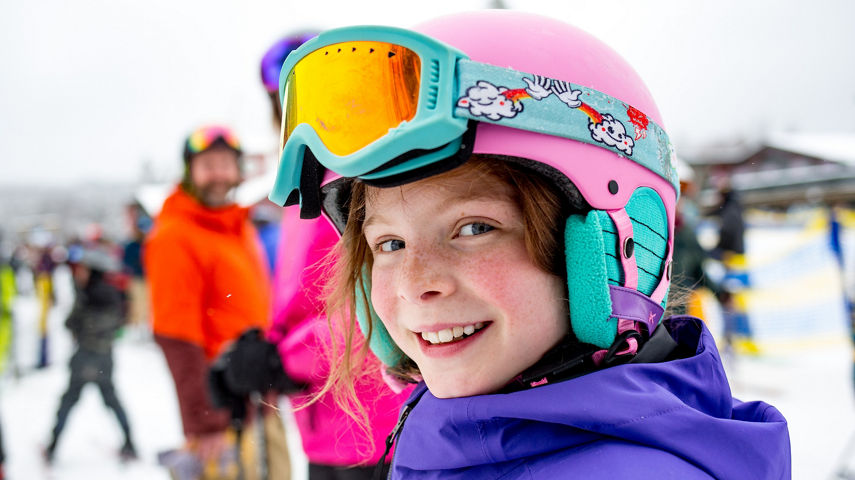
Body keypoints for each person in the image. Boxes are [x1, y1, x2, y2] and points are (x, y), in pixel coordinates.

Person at [266, 11, 791, 478]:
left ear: (617, 249)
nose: (414, 284)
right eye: (389, 243)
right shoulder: (452, 438)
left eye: (474, 228)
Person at [212, 33, 412, 480]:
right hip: (329, 428)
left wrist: (282, 359)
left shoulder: (373, 177)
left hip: (380, 430)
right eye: (291, 105)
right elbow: (308, 300)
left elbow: (384, 307)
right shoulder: (306, 182)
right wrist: (257, 354)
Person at [144, 125, 272, 479]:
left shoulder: (237, 226)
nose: (219, 175)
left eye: (226, 164)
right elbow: (176, 335)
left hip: (255, 401)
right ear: (190, 171)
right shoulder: (175, 234)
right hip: (221, 413)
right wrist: (205, 421)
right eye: (208, 165)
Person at [44, 245, 137, 463]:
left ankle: (52, 447)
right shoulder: (114, 294)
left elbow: (70, 323)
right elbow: (120, 324)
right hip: (105, 357)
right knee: (112, 401)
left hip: (84, 356)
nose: (80, 273)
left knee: (68, 402)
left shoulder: (86, 295)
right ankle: (130, 443)